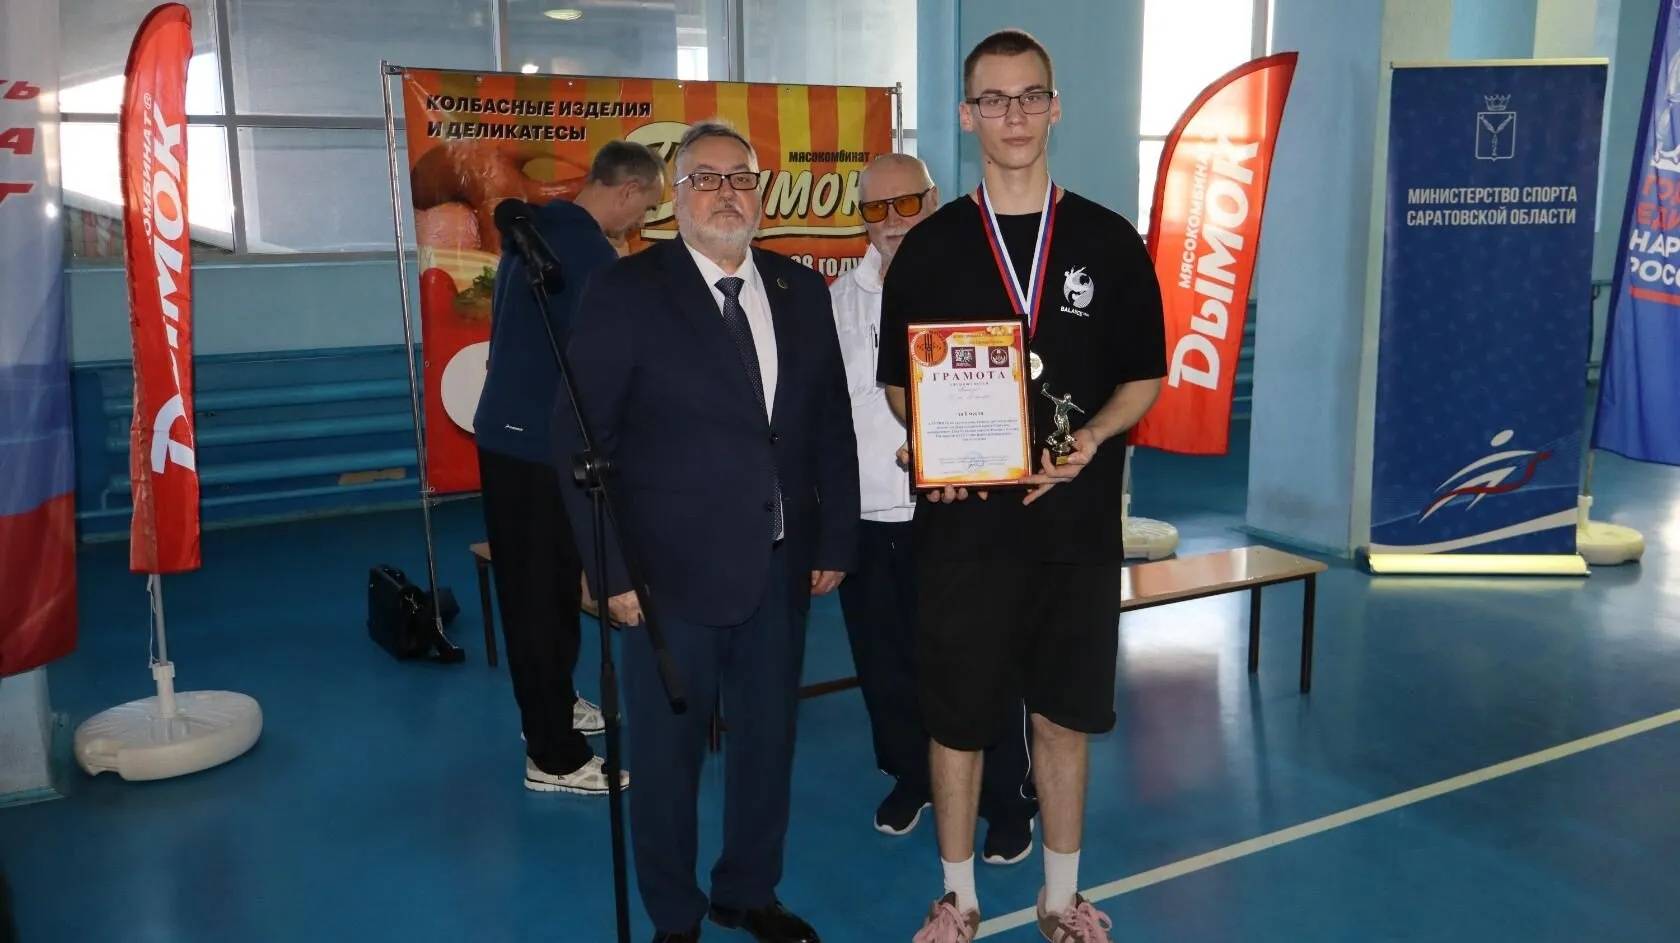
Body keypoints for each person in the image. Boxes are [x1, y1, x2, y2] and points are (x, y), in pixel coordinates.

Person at [876, 30, 1166, 943]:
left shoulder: (1108, 240)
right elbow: (899, 382)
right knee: (958, 719)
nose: (1013, 114)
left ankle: (1060, 897)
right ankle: (957, 898)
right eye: (993, 99)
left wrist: (1093, 438)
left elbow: (1145, 377)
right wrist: (931, 447)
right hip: (965, 532)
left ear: (1054, 106)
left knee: (1065, 715)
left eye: (1029, 95)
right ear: (967, 116)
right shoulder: (930, 247)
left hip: (1075, 528)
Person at [555, 121, 859, 943]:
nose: (727, 193)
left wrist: (835, 539)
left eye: (741, 178)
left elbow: (830, 424)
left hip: (780, 566)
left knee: (768, 743)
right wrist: (611, 569)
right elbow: (579, 439)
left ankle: (747, 890)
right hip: (667, 577)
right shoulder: (627, 290)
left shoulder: (801, 291)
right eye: (707, 178)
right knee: (667, 757)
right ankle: (675, 913)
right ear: (675, 198)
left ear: (761, 195)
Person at [830, 153, 1038, 863]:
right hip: (867, 519)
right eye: (875, 208)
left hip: (960, 514)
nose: (892, 220)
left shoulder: (976, 282)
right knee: (884, 663)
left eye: (907, 202)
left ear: (934, 197)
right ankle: (910, 776)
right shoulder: (837, 301)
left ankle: (1007, 796)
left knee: (980, 659)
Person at [473, 140, 665, 795]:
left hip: (512, 437)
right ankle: (552, 755)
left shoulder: (539, 228)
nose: (639, 222)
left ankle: (552, 704)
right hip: (535, 447)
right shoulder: (587, 254)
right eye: (645, 208)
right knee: (537, 597)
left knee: (549, 588)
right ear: (627, 190)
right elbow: (611, 362)